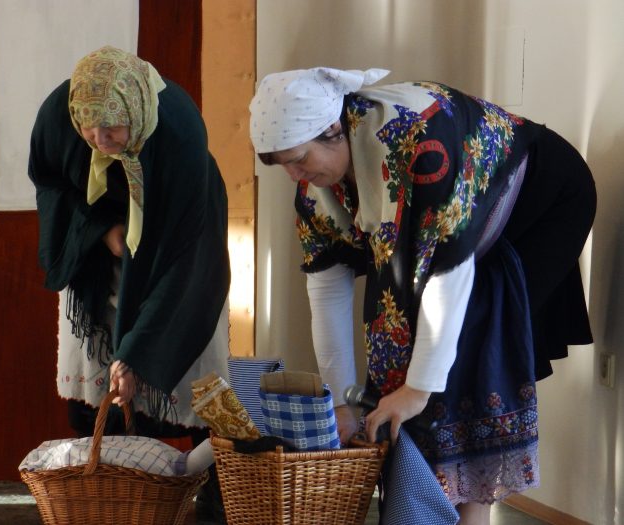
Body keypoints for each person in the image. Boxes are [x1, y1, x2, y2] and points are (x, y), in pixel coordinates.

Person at [249, 67, 596, 524]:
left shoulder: (421, 145)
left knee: (471, 347)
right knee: (417, 351)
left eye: (298, 159)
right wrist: (346, 401)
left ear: (333, 128)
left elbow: (447, 273)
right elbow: (327, 286)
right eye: (283, 164)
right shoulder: (315, 189)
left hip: (541, 204)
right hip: (468, 234)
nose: (295, 175)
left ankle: (463, 513)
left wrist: (415, 391)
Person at [28, 46, 230, 521]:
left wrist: (137, 353)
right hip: (100, 246)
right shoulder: (59, 116)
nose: (101, 142)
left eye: (112, 129)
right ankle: (107, 486)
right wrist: (101, 230)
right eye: (89, 129)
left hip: (179, 235)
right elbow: (50, 183)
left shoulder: (179, 131)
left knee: (193, 363)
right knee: (99, 368)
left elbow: (184, 261)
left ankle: (212, 492)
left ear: (135, 113)